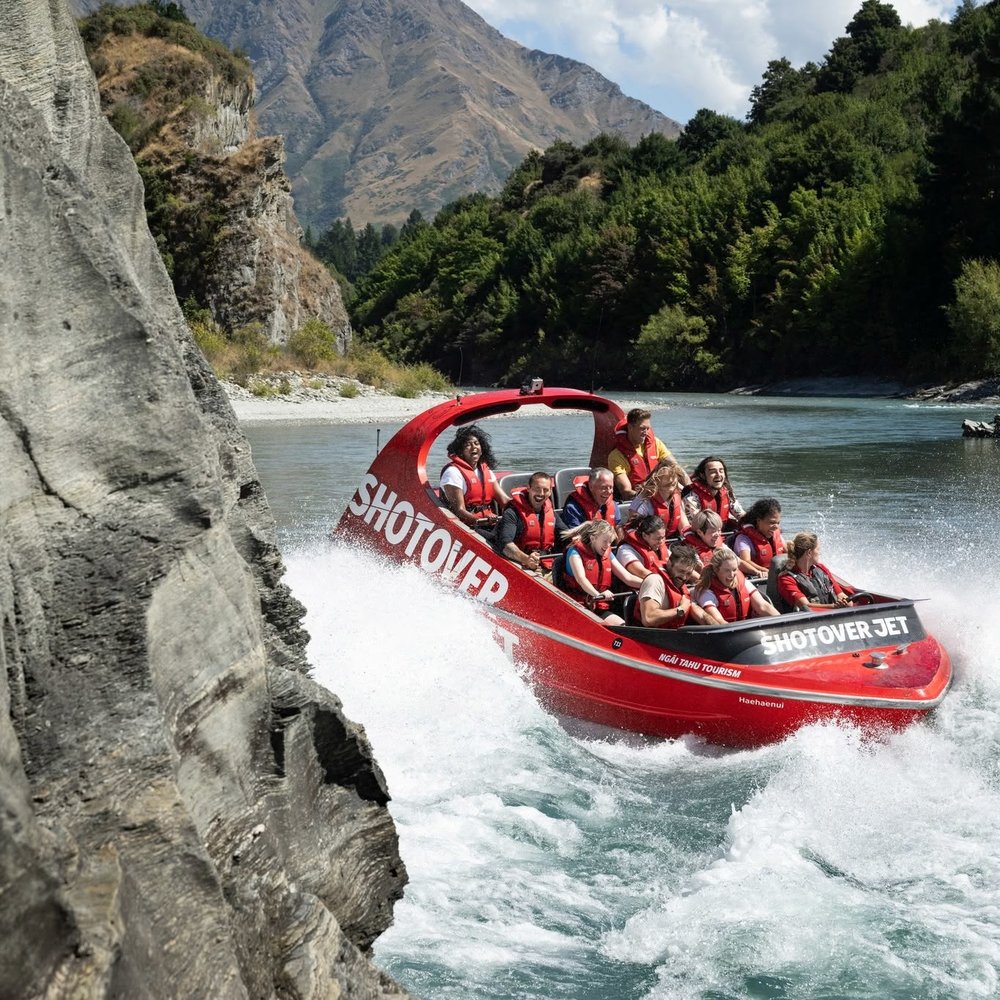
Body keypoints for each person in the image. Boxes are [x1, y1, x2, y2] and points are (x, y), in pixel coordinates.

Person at [560, 520, 643, 625]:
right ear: (593, 538)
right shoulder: (574, 552)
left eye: (610, 542)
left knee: (622, 626)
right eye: (605, 541)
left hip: (598, 608)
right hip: (578, 607)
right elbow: (581, 579)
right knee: (603, 627)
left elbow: (628, 578)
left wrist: (648, 583)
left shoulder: (607, 553)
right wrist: (598, 595)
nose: (608, 545)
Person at [439, 424, 511, 530]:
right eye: (468, 445)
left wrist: (527, 506)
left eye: (477, 443)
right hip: (467, 527)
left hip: (489, 523)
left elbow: (504, 501)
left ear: (482, 450)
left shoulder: (487, 472)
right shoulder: (452, 473)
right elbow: (459, 510)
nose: (474, 447)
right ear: (460, 451)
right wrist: (481, 521)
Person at [608, 407, 690, 500]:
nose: (646, 432)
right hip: (638, 499)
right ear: (630, 427)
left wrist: (690, 488)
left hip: (661, 492)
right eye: (642, 428)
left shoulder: (656, 443)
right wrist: (648, 496)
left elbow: (675, 466)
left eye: (648, 429)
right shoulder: (616, 455)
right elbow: (626, 491)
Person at [493, 471, 567, 573]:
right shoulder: (512, 512)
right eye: (537, 489)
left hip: (548, 562)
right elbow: (505, 544)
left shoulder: (550, 512)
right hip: (521, 565)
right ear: (529, 488)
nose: (541, 494)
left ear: (550, 492)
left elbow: (566, 534)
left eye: (545, 490)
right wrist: (526, 559)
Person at [694, 546, 780, 624]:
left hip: (747, 629)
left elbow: (763, 606)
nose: (732, 575)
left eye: (734, 569)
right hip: (728, 633)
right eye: (726, 570)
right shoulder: (706, 591)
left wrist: (782, 621)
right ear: (716, 570)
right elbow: (718, 621)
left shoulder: (743, 582)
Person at [634, 544, 710, 628]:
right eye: (681, 571)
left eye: (688, 573)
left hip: (672, 636)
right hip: (648, 637)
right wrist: (681, 609)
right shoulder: (655, 581)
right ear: (669, 563)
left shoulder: (680, 586)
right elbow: (648, 619)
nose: (684, 577)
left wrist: (720, 627)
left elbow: (700, 615)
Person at [775, 532, 853, 612]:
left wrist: (846, 601)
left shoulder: (821, 568)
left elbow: (840, 593)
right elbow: (805, 606)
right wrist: (834, 607)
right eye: (818, 549)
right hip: (809, 621)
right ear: (809, 553)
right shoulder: (786, 579)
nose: (820, 553)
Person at [626, 460, 690, 538]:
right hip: (648, 542)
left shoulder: (676, 497)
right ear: (655, 479)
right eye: (666, 474)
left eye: (673, 474)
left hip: (669, 540)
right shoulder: (644, 501)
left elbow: (684, 527)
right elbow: (633, 530)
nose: (671, 478)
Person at [682, 456, 744, 530]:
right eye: (713, 472)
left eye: (721, 471)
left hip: (721, 532)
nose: (718, 475)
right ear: (703, 475)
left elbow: (740, 513)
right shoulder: (691, 498)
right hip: (703, 535)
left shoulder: (727, 492)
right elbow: (696, 527)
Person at [561, 467, 623, 537]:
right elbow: (576, 538)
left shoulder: (613, 505)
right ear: (591, 487)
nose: (609, 492)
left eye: (611, 487)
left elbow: (618, 527)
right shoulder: (573, 508)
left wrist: (620, 546)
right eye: (603, 488)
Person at [732, 498, 785, 577]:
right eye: (771, 522)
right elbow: (745, 560)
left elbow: (788, 552)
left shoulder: (776, 534)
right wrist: (765, 570)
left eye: (778, 523)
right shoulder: (743, 539)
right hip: (755, 577)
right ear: (759, 521)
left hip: (775, 576)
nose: (776, 527)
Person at [616, 514, 670, 579]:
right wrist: (667, 582)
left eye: (663, 537)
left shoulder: (660, 545)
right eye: (657, 538)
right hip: (639, 587)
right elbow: (642, 572)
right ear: (644, 535)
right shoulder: (625, 550)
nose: (661, 541)